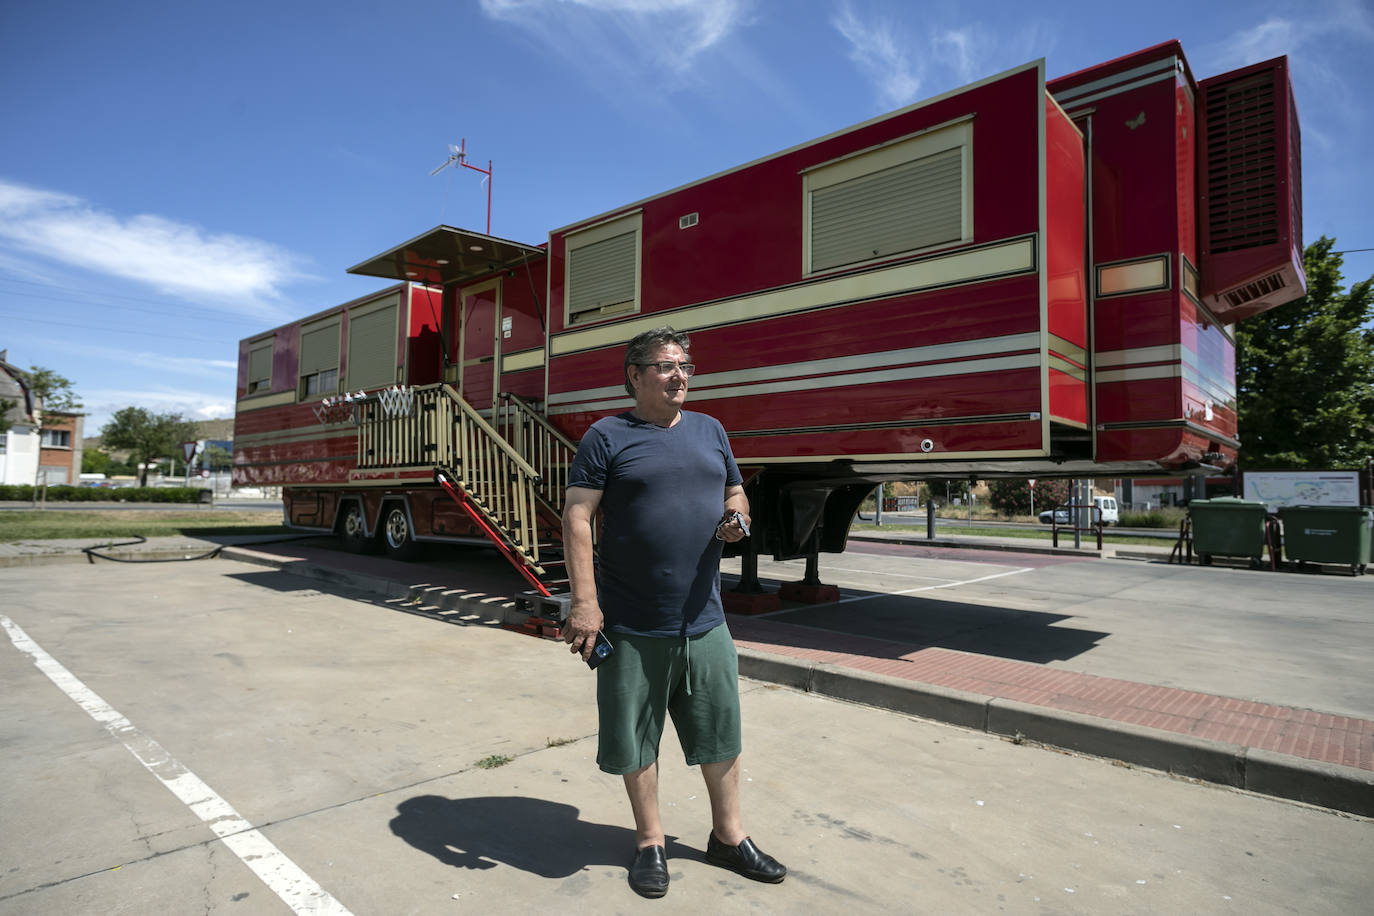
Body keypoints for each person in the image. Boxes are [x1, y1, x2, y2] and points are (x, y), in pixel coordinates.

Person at [561, 326, 786, 898]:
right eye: (665, 366)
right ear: (634, 377)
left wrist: (738, 518)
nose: (679, 375)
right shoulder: (607, 435)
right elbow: (578, 517)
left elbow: (736, 492)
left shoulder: (710, 430)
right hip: (632, 621)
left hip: (705, 618)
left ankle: (729, 837)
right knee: (637, 737)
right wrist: (585, 603)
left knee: (721, 733)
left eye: (685, 365)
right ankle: (650, 841)